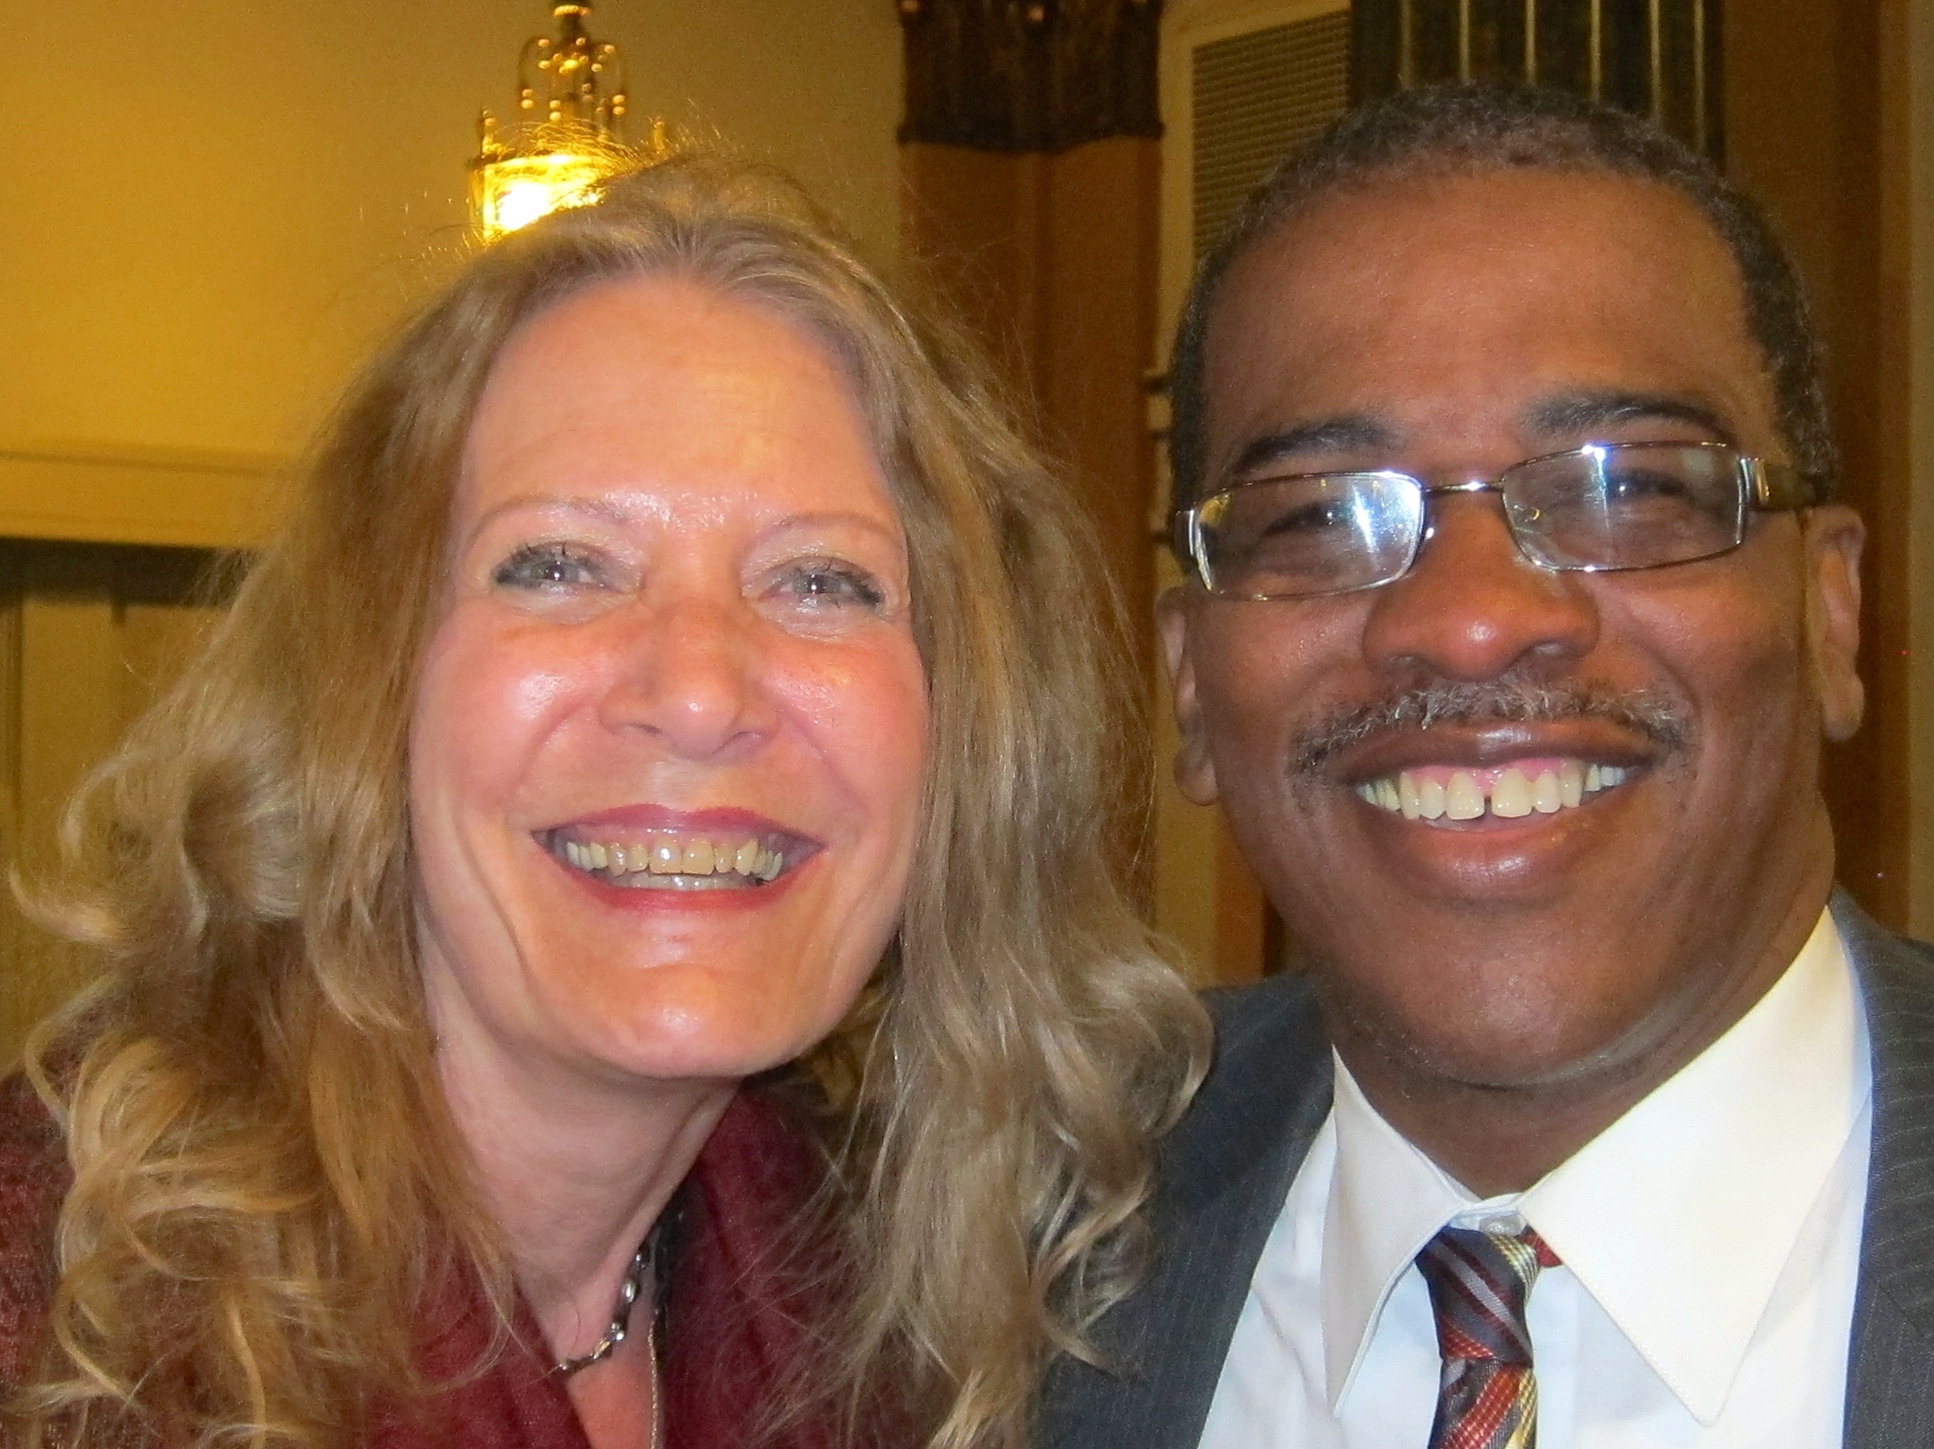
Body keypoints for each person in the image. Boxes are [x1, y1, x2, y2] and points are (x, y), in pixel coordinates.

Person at [0, 154, 1207, 1449]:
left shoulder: (891, 1331)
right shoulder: (54, 1317)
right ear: (367, 689)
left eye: (821, 582)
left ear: (958, 729)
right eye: (561, 565)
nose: (698, 694)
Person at [1038, 84, 1934, 1449]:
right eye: (1320, 517)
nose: (1470, 621)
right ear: (1191, 680)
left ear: (1828, 613)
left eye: (1625, 488)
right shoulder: (993, 1245)